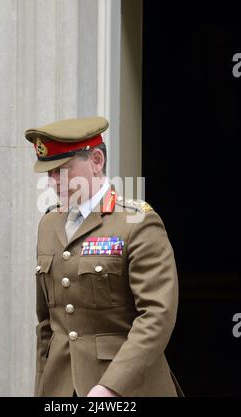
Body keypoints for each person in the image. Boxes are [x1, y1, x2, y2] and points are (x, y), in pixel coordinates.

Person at [24, 116, 184, 397]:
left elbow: (157, 315)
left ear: (96, 160)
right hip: (60, 386)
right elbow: (47, 324)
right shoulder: (48, 224)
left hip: (126, 387)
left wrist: (110, 387)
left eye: (62, 169)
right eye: (48, 173)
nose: (53, 181)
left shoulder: (136, 221)